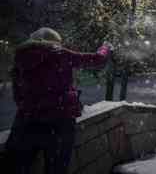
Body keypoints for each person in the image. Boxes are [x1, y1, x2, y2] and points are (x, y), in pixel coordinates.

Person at [5, 27, 112, 174]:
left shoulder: (20, 58)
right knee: (56, 168)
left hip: (26, 121)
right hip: (59, 121)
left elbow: (18, 95)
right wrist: (105, 47)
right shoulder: (59, 54)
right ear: (54, 42)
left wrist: (32, 107)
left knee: (16, 167)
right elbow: (97, 60)